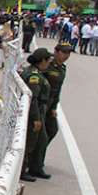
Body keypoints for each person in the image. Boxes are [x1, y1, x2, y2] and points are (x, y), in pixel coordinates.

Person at [34, 41, 72, 178]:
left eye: (68, 52)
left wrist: (54, 107)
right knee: (41, 136)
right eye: (64, 52)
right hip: (41, 103)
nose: (66, 55)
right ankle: (36, 165)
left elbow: (57, 90)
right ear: (56, 52)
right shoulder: (47, 64)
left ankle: (36, 157)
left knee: (52, 129)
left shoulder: (62, 68)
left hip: (50, 104)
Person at [20, 47, 52, 182]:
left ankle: (34, 167)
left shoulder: (35, 72)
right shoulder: (34, 76)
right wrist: (36, 118)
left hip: (38, 111)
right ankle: (22, 169)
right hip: (34, 113)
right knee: (29, 142)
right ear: (42, 60)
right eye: (48, 60)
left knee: (40, 140)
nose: (49, 62)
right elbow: (33, 99)